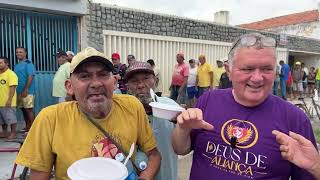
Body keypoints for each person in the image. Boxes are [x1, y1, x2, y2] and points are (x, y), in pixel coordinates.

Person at [171, 33, 317, 179]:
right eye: (247, 69)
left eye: (267, 69)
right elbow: (180, 149)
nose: (257, 78)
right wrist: (183, 129)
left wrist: (316, 167)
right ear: (228, 71)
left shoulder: (295, 119)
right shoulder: (209, 100)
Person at [16, 47, 161, 179]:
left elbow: (154, 155)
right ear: (69, 86)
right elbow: (39, 176)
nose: (96, 83)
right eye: (85, 76)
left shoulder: (132, 106)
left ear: (115, 82)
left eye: (103, 74)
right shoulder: (50, 118)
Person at [125, 61, 178, 180]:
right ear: (127, 86)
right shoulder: (122, 113)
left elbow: (184, 146)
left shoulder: (171, 107)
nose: (140, 85)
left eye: (146, 78)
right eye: (134, 81)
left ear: (155, 81)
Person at [14, 47, 36, 132]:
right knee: (23, 109)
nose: (18, 54)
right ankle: (27, 127)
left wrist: (26, 89)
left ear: (25, 53)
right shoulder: (16, 65)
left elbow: (31, 76)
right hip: (19, 91)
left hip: (28, 91)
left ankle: (33, 129)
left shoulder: (28, 63)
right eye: (17, 52)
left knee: (28, 109)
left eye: (21, 52)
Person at [0, 57, 18, 139]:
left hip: (8, 101)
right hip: (0, 101)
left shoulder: (11, 74)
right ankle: (4, 133)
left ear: (7, 63)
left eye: (1, 63)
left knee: (11, 119)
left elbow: (12, 88)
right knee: (2, 120)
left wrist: (9, 100)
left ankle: (13, 133)